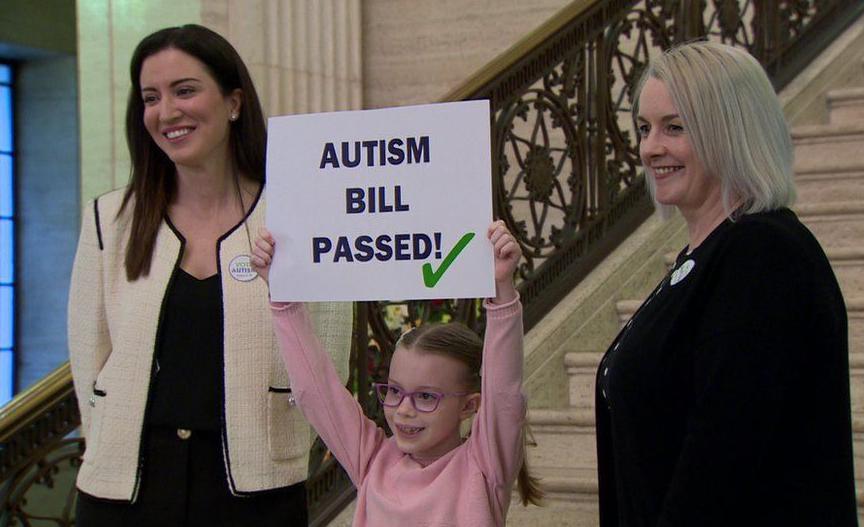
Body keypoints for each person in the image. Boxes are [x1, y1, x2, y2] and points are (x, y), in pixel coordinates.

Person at [67, 24, 351, 526]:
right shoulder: (109, 220)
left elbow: (328, 354)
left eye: (185, 90)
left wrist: (289, 444)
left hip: (256, 490)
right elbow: (89, 358)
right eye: (151, 97)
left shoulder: (297, 215)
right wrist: (106, 439)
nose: (167, 111)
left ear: (234, 102)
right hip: (121, 493)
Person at [595, 41, 858, 526]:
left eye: (675, 127)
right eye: (645, 128)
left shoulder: (764, 255)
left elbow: (722, 461)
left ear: (731, 133)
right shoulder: (704, 257)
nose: (651, 147)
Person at [250, 219, 542, 526]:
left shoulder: (483, 467)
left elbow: (503, 394)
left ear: (469, 405)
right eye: (395, 391)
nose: (403, 410)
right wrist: (282, 295)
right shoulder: (372, 459)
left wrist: (503, 290)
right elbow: (315, 391)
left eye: (426, 396)